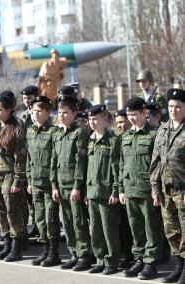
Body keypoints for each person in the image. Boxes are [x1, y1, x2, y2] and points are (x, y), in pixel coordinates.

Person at [119, 97, 164, 280]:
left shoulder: (155, 134)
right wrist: (121, 189)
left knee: (151, 228)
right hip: (130, 190)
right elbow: (122, 164)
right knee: (135, 226)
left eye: (134, 114)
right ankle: (139, 258)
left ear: (144, 113)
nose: (131, 118)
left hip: (147, 189)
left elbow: (160, 165)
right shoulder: (126, 136)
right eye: (128, 114)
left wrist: (156, 190)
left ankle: (150, 263)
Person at [50, 93, 92, 271]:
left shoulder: (80, 133)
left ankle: (84, 255)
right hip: (61, 185)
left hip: (74, 187)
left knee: (78, 222)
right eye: (60, 112)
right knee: (66, 222)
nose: (62, 115)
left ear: (75, 114)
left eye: (65, 112)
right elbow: (54, 161)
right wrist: (53, 185)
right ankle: (74, 253)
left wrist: (77, 186)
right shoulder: (57, 133)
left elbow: (81, 162)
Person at [0, 91, 27, 262]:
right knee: (1, 211)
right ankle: (7, 244)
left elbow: (21, 157)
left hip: (10, 175)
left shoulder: (17, 127)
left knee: (12, 211)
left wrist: (18, 180)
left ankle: (16, 247)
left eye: (0, 110)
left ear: (10, 110)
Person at [150, 88, 185, 283]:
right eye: (171, 106)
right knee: (172, 232)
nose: (173, 110)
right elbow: (155, 162)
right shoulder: (162, 130)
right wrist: (155, 189)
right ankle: (178, 267)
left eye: (178, 107)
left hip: (184, 191)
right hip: (166, 191)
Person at [26, 96, 61, 267]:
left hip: (49, 183)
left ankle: (54, 253)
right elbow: (29, 159)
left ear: (48, 112)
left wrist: (55, 184)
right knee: (39, 218)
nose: (35, 114)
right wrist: (29, 180)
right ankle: (45, 250)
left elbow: (56, 160)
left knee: (50, 218)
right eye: (33, 111)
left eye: (39, 111)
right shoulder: (30, 131)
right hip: (36, 182)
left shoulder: (54, 132)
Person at [86, 105, 121, 275]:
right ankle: (100, 259)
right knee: (95, 229)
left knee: (109, 229)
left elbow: (116, 169)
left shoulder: (113, 141)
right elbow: (89, 168)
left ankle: (112, 260)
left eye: (95, 119)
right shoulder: (90, 140)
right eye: (90, 119)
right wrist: (87, 190)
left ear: (104, 119)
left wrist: (115, 191)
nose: (92, 122)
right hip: (92, 192)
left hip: (107, 193)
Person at [113, 108, 134, 268]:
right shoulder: (118, 139)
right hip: (122, 187)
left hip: (136, 187)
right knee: (123, 225)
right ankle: (127, 254)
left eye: (122, 121)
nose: (120, 125)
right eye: (117, 122)